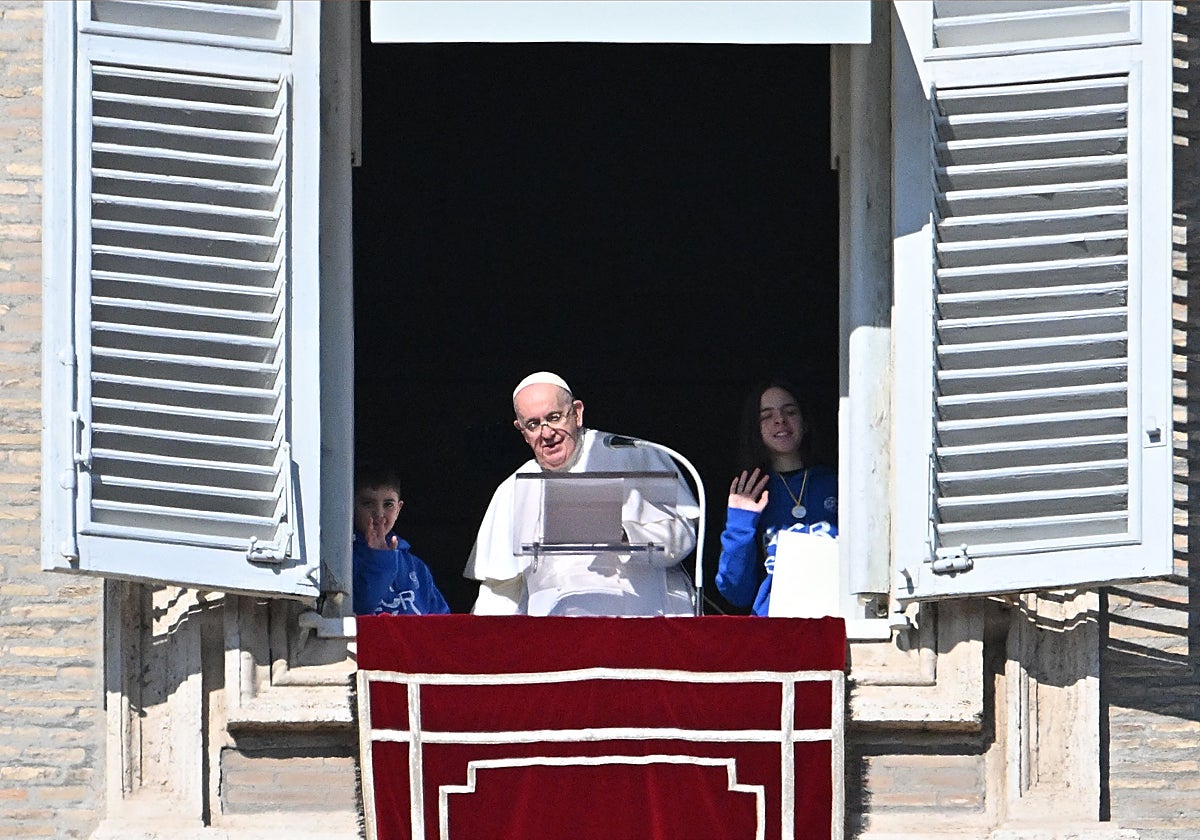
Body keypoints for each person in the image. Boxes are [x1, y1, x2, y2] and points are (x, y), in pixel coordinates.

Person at [464, 371, 699, 616]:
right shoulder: (512, 490)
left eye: (554, 418)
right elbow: (500, 593)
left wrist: (625, 536)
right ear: (522, 431)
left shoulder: (634, 454)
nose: (547, 433)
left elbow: (682, 534)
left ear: (577, 413)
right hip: (558, 631)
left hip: (642, 620)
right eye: (533, 424)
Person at [715, 378, 838, 616]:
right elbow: (736, 591)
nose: (780, 420)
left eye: (790, 412)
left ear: (805, 422)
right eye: (766, 416)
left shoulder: (838, 484)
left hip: (837, 617)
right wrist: (740, 523)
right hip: (775, 624)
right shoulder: (752, 494)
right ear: (756, 429)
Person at [352, 465, 450, 616]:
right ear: (351, 506)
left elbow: (441, 620)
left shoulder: (416, 566)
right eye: (368, 504)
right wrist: (379, 560)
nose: (379, 514)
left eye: (388, 504)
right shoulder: (343, 560)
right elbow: (362, 607)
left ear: (398, 509)